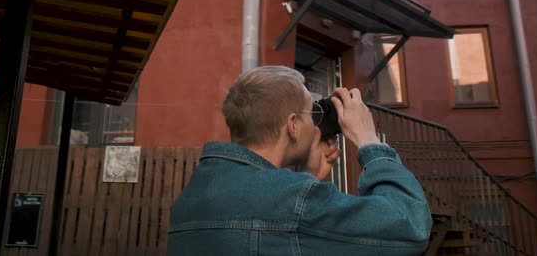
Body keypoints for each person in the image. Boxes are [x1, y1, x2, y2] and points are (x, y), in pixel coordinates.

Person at [168, 66, 432, 255]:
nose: (315, 121)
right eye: (311, 111)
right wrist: (369, 141)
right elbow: (411, 227)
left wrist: (306, 177)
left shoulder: (192, 195)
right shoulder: (294, 200)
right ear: (293, 125)